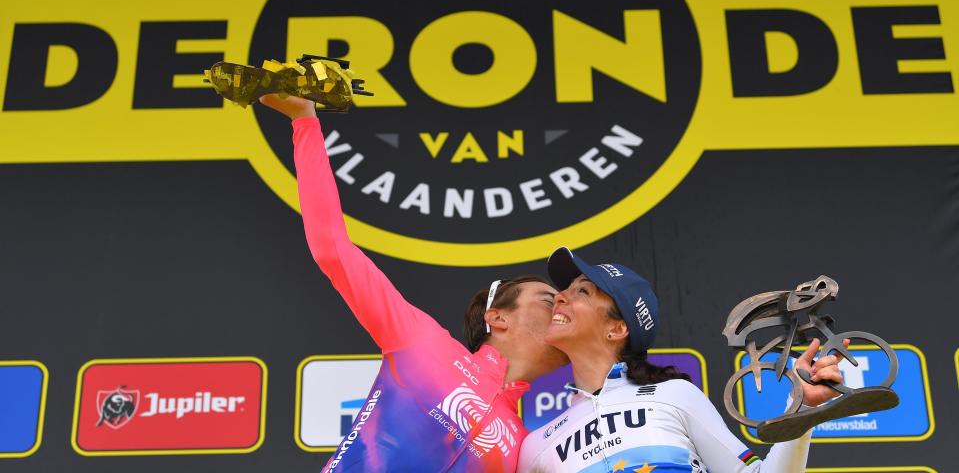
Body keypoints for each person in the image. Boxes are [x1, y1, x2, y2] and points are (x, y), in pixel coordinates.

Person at [259, 94, 568, 472]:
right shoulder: (423, 341)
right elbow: (332, 248)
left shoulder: (524, 444)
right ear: (498, 317)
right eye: (549, 300)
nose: (563, 309)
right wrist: (304, 121)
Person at [518, 247, 848, 472]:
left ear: (617, 328)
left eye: (583, 292)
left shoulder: (674, 395)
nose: (558, 296)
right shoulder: (536, 444)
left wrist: (802, 409)